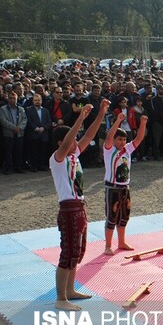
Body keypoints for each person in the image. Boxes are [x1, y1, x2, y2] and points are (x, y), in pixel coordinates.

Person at [50, 99, 109, 311]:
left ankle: (70, 290)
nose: (77, 143)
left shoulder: (74, 156)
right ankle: (60, 298)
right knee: (67, 253)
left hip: (79, 207)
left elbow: (89, 136)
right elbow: (70, 140)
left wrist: (101, 113)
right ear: (61, 142)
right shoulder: (57, 159)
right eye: (72, 140)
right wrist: (80, 118)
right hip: (68, 209)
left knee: (78, 251)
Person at [102, 112, 148, 255]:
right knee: (112, 217)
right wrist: (118, 121)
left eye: (124, 140)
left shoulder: (127, 149)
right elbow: (109, 137)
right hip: (112, 188)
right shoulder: (109, 151)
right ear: (114, 140)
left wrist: (143, 123)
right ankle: (108, 245)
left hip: (125, 188)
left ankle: (121, 242)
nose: (122, 142)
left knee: (124, 216)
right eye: (119, 139)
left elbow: (139, 138)